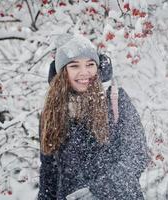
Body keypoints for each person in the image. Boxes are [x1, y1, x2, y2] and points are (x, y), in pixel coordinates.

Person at [38, 33, 149, 200]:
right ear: (63, 72)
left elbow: (136, 156)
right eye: (74, 66)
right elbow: (49, 175)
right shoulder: (52, 112)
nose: (84, 73)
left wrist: (99, 191)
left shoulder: (116, 102)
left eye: (90, 64)